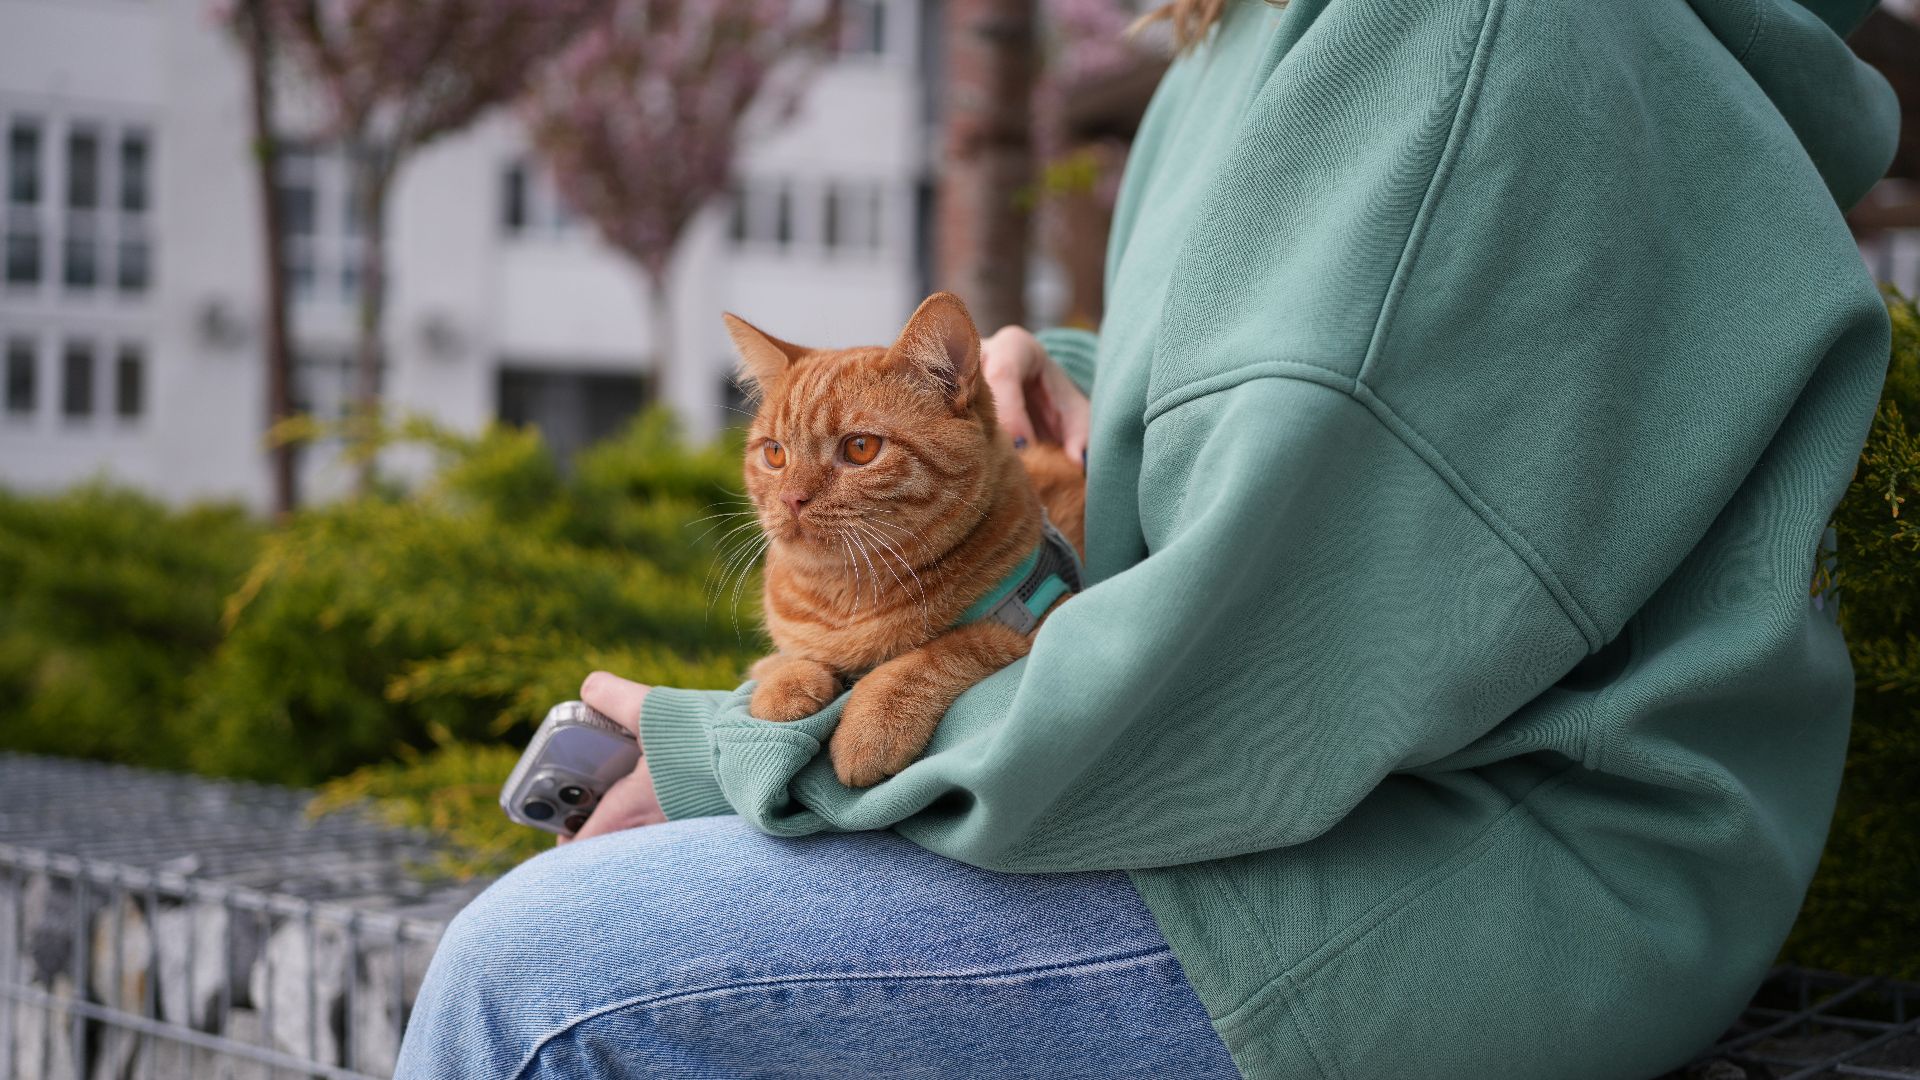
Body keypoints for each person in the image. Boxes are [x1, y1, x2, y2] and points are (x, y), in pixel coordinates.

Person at [396, 0, 1899, 1074]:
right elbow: (1339, 436)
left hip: (1484, 888)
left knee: (539, 978)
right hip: (1368, 816)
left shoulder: (1477, 37)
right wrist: (1083, 384)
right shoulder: (1224, 44)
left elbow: (1237, 684)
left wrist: (735, 756)